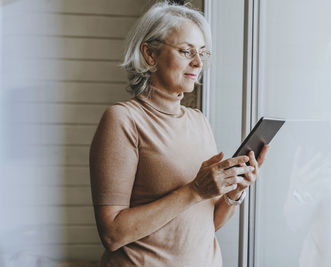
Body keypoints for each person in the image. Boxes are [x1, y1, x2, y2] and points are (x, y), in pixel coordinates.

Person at [89, 2, 268, 266]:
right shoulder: (123, 119)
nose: (197, 62)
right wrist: (195, 190)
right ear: (150, 54)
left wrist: (234, 191)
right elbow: (113, 234)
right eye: (186, 51)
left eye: (202, 53)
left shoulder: (199, 121)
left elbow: (206, 225)